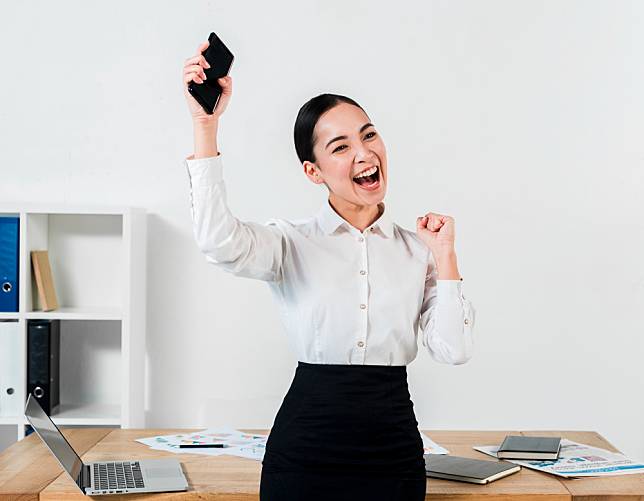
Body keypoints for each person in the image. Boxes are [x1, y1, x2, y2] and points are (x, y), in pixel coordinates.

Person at [182, 39, 476, 501]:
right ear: (313, 171)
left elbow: (453, 350)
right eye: (340, 146)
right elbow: (218, 243)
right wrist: (205, 124)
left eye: (369, 135)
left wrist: (447, 256)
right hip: (305, 451)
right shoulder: (290, 242)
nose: (363, 153)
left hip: (392, 450)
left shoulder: (418, 252)